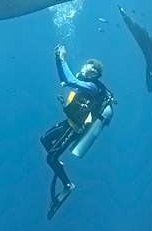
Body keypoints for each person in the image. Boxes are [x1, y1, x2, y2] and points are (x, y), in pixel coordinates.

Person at [40, 44, 116, 219]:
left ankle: (67, 185)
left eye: (88, 66)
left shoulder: (93, 87)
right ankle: (57, 165)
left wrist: (62, 59)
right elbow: (66, 80)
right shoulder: (87, 85)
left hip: (75, 129)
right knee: (44, 139)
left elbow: (70, 80)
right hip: (69, 122)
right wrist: (58, 60)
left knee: (50, 157)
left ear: (94, 72)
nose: (84, 66)